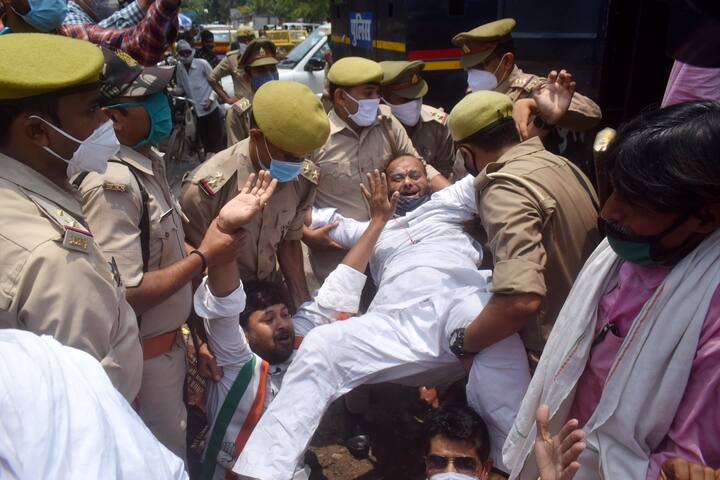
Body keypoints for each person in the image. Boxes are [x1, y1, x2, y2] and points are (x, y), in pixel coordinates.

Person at [232, 163, 531, 479]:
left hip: (455, 306)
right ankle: (265, 471)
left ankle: (510, 466)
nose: (407, 182)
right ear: (384, 187)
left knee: (493, 327)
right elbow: (305, 216)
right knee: (322, 343)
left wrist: (434, 175)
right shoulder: (368, 228)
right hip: (393, 324)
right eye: (398, 177)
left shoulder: (447, 205)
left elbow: (492, 177)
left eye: (415, 175)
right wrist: (271, 192)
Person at [504, 101, 720, 479]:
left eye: (634, 201)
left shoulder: (711, 308)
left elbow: (687, 461)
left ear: (705, 216)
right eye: (615, 189)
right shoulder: (622, 252)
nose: (608, 211)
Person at [74, 49, 245, 460]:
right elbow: (127, 292)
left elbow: (164, 257)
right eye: (150, 100)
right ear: (113, 118)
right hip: (141, 365)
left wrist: (196, 338)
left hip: (166, 350)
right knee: (159, 460)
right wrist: (204, 257)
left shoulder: (144, 163)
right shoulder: (111, 182)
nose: (164, 106)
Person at [194, 169, 391, 480]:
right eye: (268, 319)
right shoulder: (235, 362)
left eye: (284, 313)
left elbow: (339, 287)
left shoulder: (299, 339)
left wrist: (378, 221)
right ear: (245, 333)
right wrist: (225, 228)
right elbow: (224, 303)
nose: (283, 324)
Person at [0, 33, 142, 401]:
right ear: (37, 131)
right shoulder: (55, 256)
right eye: (92, 110)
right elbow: (82, 406)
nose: (105, 122)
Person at [446, 90, 600, 364]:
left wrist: (464, 343)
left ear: (466, 153)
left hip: (553, 349)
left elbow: (520, 300)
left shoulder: (504, 190)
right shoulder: (561, 163)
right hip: (591, 324)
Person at [181, 80, 326, 309]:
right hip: (222, 300)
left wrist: (303, 305)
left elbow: (290, 242)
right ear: (256, 137)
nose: (297, 165)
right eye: (290, 156)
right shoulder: (205, 188)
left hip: (272, 295)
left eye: (304, 157)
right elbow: (193, 260)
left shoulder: (303, 180)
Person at [304, 56, 449, 282]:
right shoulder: (315, 138)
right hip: (336, 261)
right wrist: (307, 236)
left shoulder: (388, 123)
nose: (376, 99)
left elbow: (420, 166)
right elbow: (294, 200)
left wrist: (454, 199)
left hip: (387, 259)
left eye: (377, 93)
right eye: (368, 93)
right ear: (341, 97)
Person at [0, 329, 188, 479]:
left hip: (160, 364)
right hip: (147, 369)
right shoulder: (35, 366)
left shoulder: (55, 361)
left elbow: (159, 468)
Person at [451, 18, 601, 158]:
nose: (473, 75)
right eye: (469, 68)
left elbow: (592, 114)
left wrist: (533, 105)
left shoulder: (532, 89)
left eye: (480, 66)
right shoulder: (475, 93)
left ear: (507, 61)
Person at [380, 60, 456, 178]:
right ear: (383, 97)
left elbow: (446, 171)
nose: (414, 104)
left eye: (417, 97)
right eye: (404, 100)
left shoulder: (438, 124)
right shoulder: (376, 128)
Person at [210, 39, 279, 147]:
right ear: (248, 75)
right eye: (261, 71)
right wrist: (228, 99)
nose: (269, 75)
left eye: (272, 68)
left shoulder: (285, 101)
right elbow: (236, 155)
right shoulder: (239, 110)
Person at [175, 39, 225, 155]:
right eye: (182, 53)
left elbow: (216, 83)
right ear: (179, 54)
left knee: (215, 144)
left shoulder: (202, 64)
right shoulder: (179, 68)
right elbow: (181, 87)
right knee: (206, 143)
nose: (186, 55)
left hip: (211, 109)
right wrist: (172, 92)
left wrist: (211, 99)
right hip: (197, 112)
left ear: (192, 51)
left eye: (187, 52)